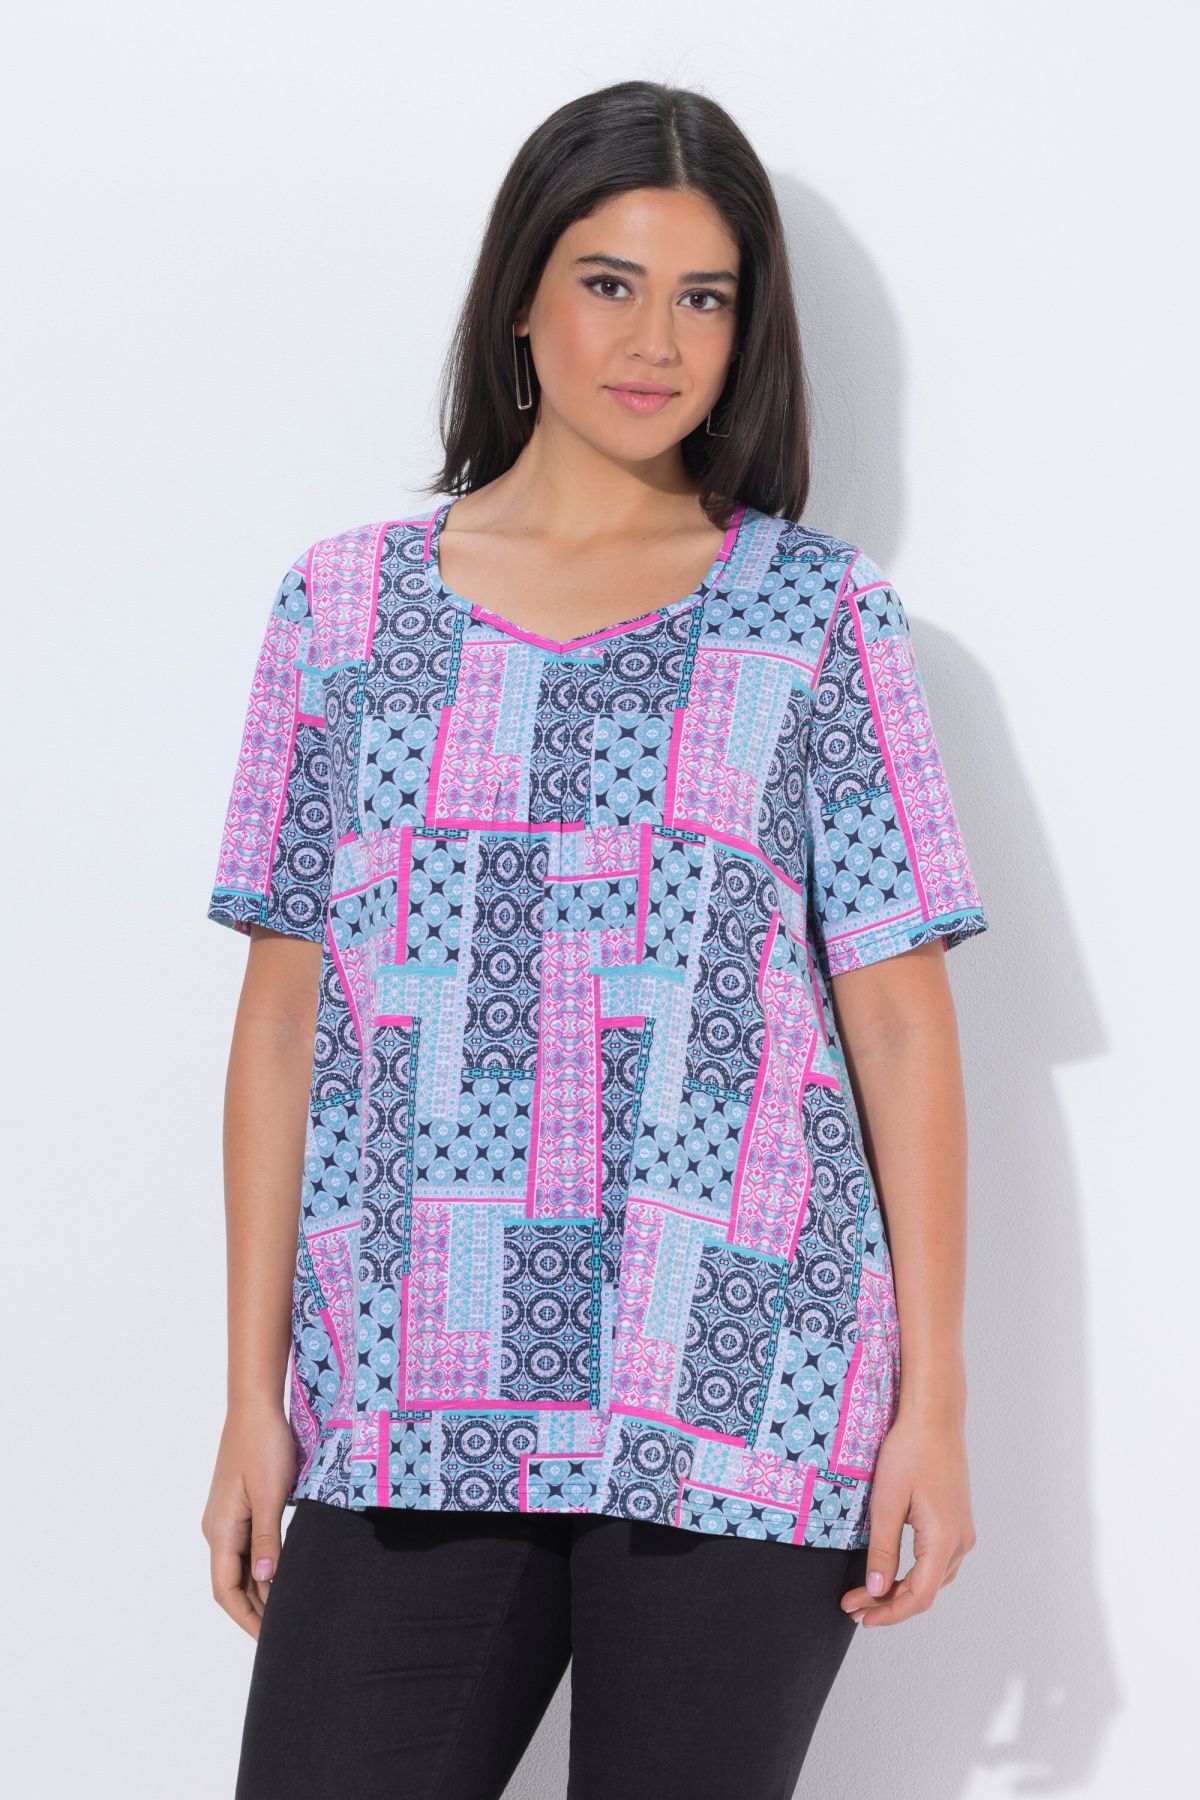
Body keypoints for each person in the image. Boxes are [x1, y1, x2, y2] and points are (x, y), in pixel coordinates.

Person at [201, 78, 990, 1800]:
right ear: (521, 299)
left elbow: (901, 1024)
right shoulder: (343, 606)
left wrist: (931, 1404)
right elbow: (280, 1023)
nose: (658, 342)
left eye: (706, 297)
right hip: (409, 1385)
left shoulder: (818, 616)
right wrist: (253, 1396)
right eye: (611, 283)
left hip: (740, 1375)